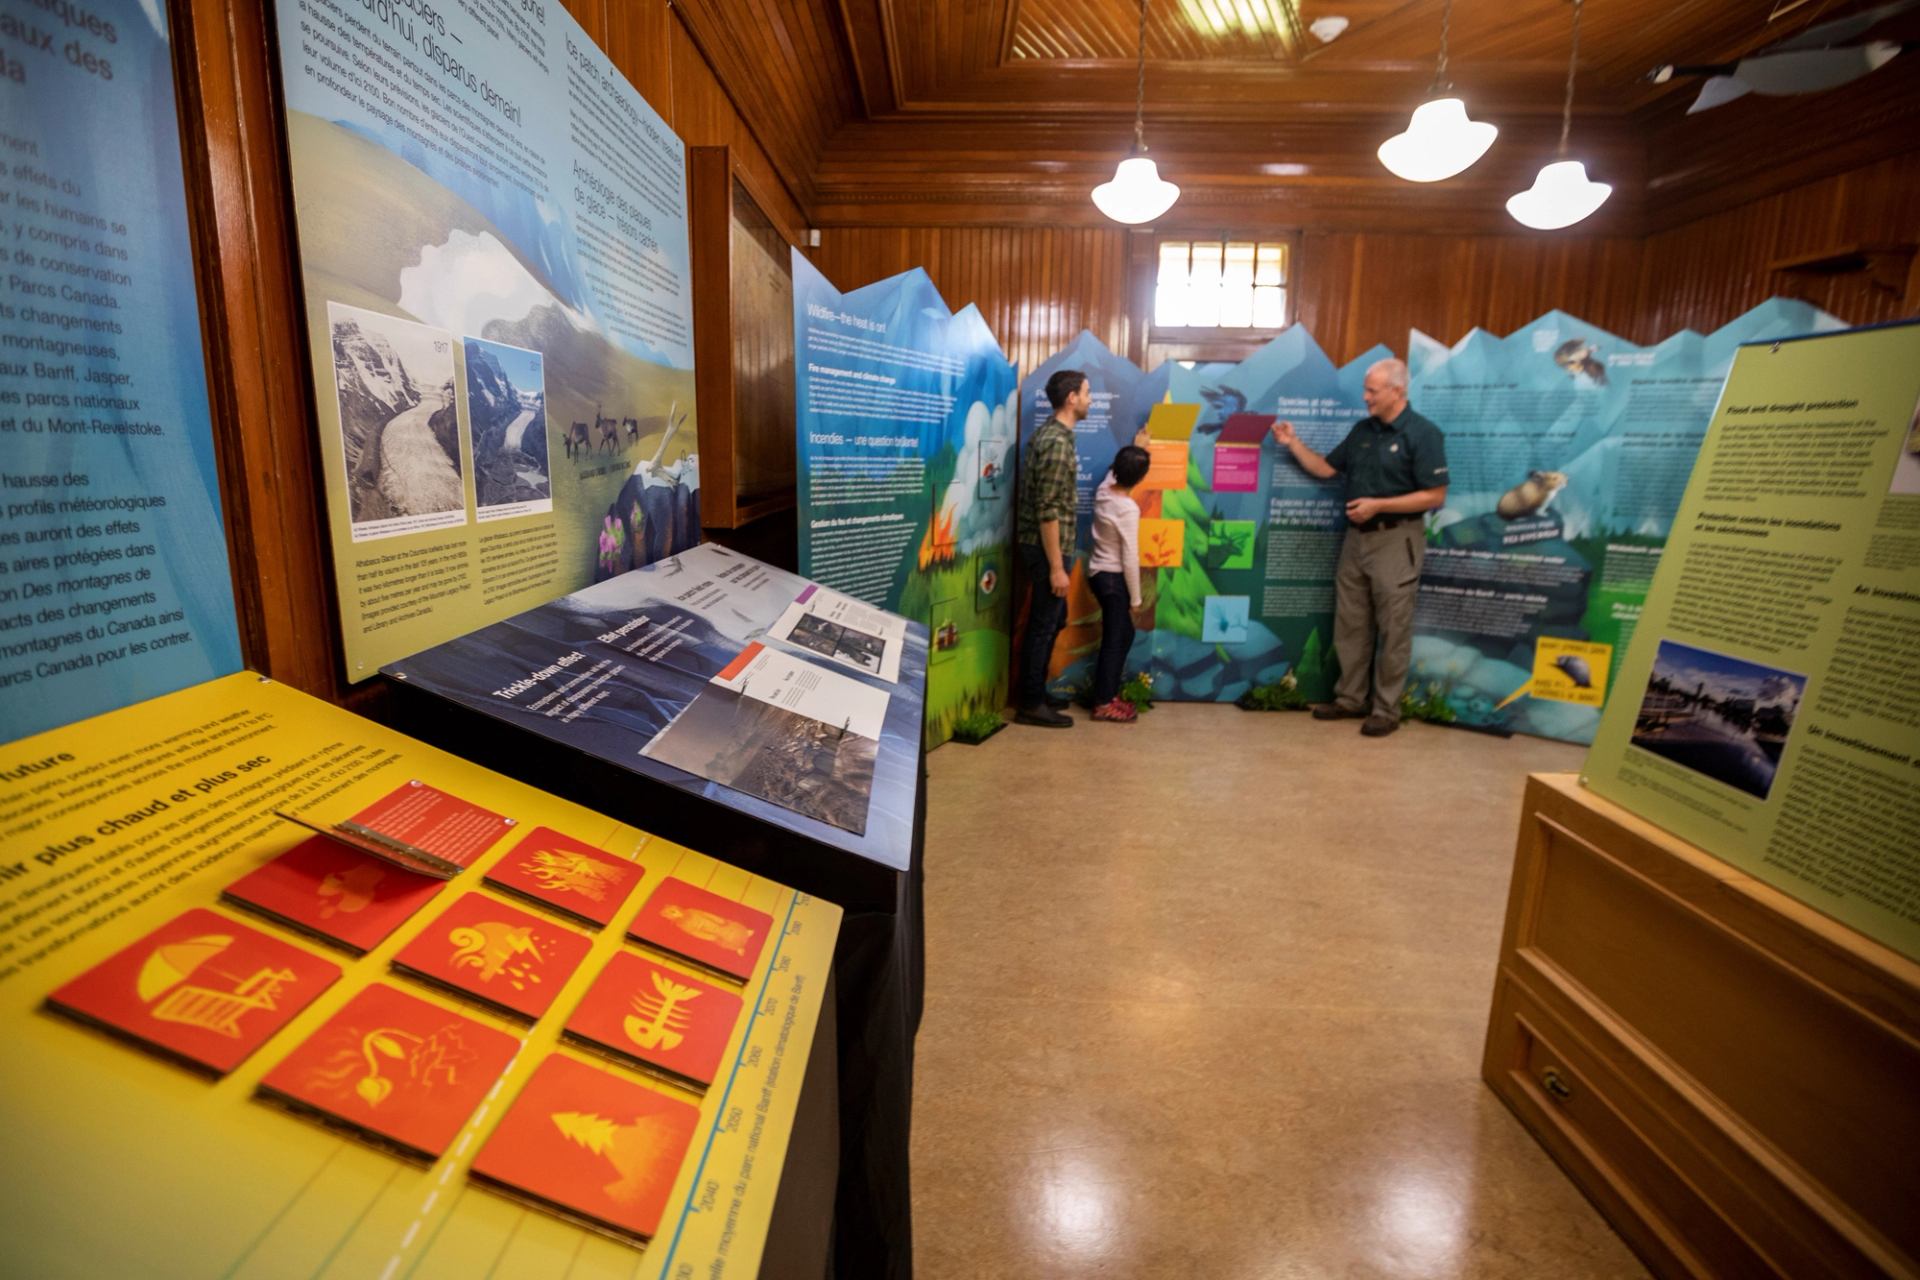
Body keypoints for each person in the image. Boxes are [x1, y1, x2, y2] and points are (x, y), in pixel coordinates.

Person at [1269, 358, 1447, 737]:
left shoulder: (1423, 433)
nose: (1365, 397)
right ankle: (1350, 699)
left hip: (1396, 539)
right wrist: (1292, 443)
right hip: (1356, 538)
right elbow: (1325, 469)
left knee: (1393, 628)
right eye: (1366, 389)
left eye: (1372, 391)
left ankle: (1386, 710)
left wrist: (1379, 505)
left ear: (1397, 391)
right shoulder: (1362, 430)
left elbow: (1435, 495)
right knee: (1351, 622)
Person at [1014, 369, 1091, 727]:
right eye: (1087, 393)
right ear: (1071, 398)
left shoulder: (1054, 435)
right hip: (1047, 551)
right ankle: (1030, 703)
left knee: (1052, 620)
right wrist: (1057, 567)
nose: (1090, 399)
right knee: (1043, 625)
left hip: (1047, 549)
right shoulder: (1057, 443)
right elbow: (1047, 509)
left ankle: (1037, 693)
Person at [1087, 445, 1152, 723]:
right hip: (1113, 579)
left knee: (1124, 634)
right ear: (1140, 478)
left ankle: (1107, 693)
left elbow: (1110, 475)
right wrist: (1136, 600)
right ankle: (1103, 703)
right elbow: (1130, 557)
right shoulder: (1127, 508)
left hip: (1099, 575)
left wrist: (1137, 446)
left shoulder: (1104, 492)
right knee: (1115, 640)